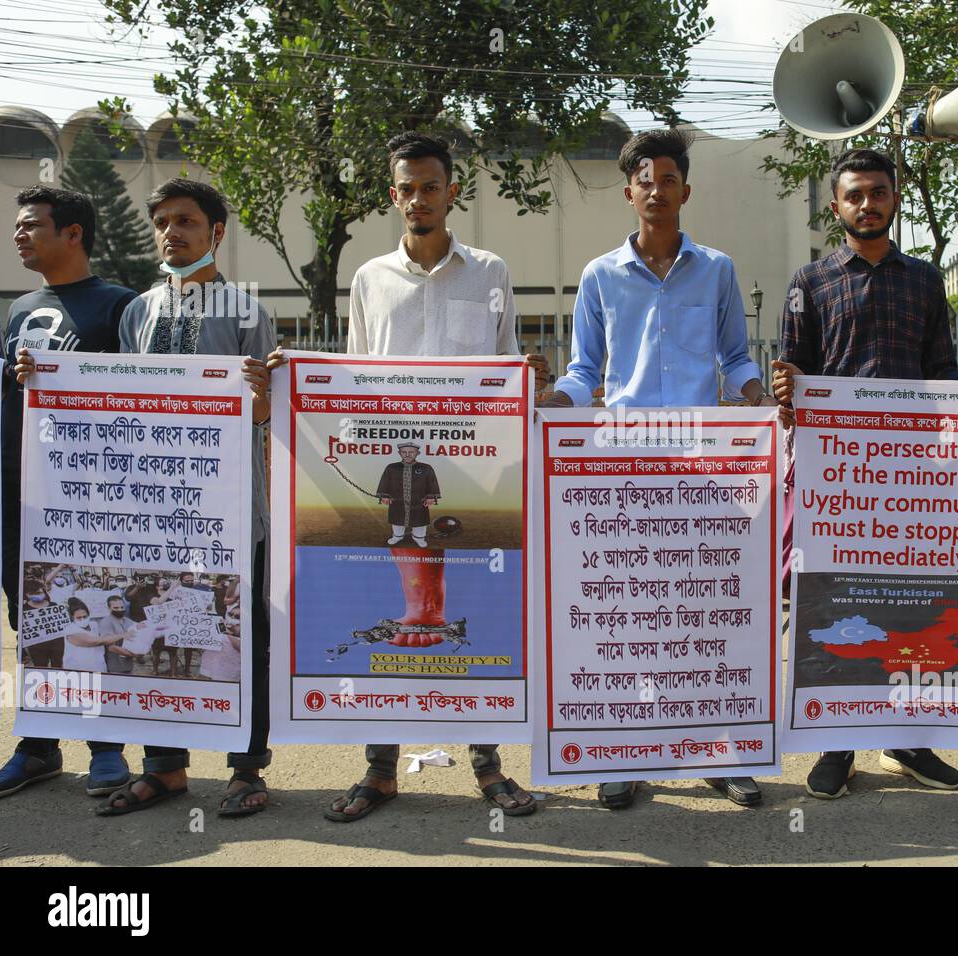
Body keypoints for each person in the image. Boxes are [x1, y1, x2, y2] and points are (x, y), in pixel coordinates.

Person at [278, 131, 549, 822]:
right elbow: (356, 380)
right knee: (395, 604)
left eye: (432, 186)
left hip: (475, 478)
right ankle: (381, 769)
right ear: (391, 194)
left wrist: (528, 385)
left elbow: (506, 370)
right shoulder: (369, 278)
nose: (419, 199)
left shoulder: (489, 271)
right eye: (407, 188)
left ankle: (489, 767)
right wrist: (296, 383)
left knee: (478, 610)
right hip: (396, 477)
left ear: (452, 192)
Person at [771, 148, 958, 798]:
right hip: (838, 481)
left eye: (878, 192)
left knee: (914, 603)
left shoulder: (923, 281)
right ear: (835, 207)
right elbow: (793, 379)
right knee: (840, 605)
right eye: (854, 194)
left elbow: (942, 375)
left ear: (894, 200)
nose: (868, 203)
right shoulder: (808, 283)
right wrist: (786, 390)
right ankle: (837, 746)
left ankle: (909, 742)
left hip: (913, 477)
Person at [17, 177, 277, 816]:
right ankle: (165, 768)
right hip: (157, 513)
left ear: (216, 231)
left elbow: (273, 414)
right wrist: (41, 378)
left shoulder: (247, 309)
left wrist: (264, 401)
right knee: (159, 636)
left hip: (232, 510)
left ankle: (248, 769)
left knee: (242, 636)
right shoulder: (138, 311)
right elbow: (113, 402)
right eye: (162, 221)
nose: (171, 232)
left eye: (185, 220)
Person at [543, 128, 777, 809]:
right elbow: (584, 371)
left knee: (705, 613)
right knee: (635, 617)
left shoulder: (719, 269)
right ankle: (629, 752)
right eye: (643, 179)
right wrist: (545, 401)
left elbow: (736, 361)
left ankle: (721, 752)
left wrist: (765, 403)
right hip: (626, 469)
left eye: (667, 177)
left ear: (685, 189)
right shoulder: (598, 276)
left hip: (706, 466)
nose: (655, 188)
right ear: (629, 193)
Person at [0, 186, 135, 800]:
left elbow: (139, 397)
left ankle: (106, 745)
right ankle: (39, 744)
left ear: (73, 233)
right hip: (19, 488)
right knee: (31, 616)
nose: (19, 235)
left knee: (88, 609)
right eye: (18, 227)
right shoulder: (19, 307)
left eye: (32, 226)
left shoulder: (120, 306)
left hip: (88, 499)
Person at [377, 442, 441, 546]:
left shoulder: (426, 468)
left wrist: (431, 497)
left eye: (411, 452)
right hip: (397, 500)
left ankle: (419, 538)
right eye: (404, 452)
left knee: (419, 520)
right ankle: (397, 536)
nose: (407, 454)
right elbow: (385, 482)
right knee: (397, 519)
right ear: (399, 453)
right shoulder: (391, 468)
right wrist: (384, 496)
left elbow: (432, 483)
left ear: (417, 453)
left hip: (419, 501)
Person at [60, 597, 127, 674]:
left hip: (98, 666)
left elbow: (107, 637)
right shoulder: (70, 629)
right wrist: (123, 635)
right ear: (72, 617)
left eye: (85, 616)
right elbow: (92, 641)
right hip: (77, 669)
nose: (82, 619)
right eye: (79, 618)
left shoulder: (94, 625)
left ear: (89, 615)